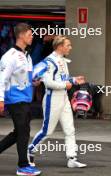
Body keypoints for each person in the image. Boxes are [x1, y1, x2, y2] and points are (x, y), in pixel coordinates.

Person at [28, 35, 87, 168]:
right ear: (60, 46)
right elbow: (48, 83)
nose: (70, 47)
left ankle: (72, 158)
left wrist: (73, 80)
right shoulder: (49, 61)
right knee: (47, 131)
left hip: (64, 97)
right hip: (52, 98)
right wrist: (65, 84)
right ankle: (30, 151)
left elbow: (62, 79)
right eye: (68, 45)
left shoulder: (62, 60)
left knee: (70, 129)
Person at [0, 23, 41, 175]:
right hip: (15, 100)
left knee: (18, 133)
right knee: (23, 132)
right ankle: (23, 166)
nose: (32, 36)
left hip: (25, 99)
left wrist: (34, 82)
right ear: (22, 35)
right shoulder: (9, 56)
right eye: (30, 34)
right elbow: (1, 79)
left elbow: (24, 78)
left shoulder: (27, 56)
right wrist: (1, 100)